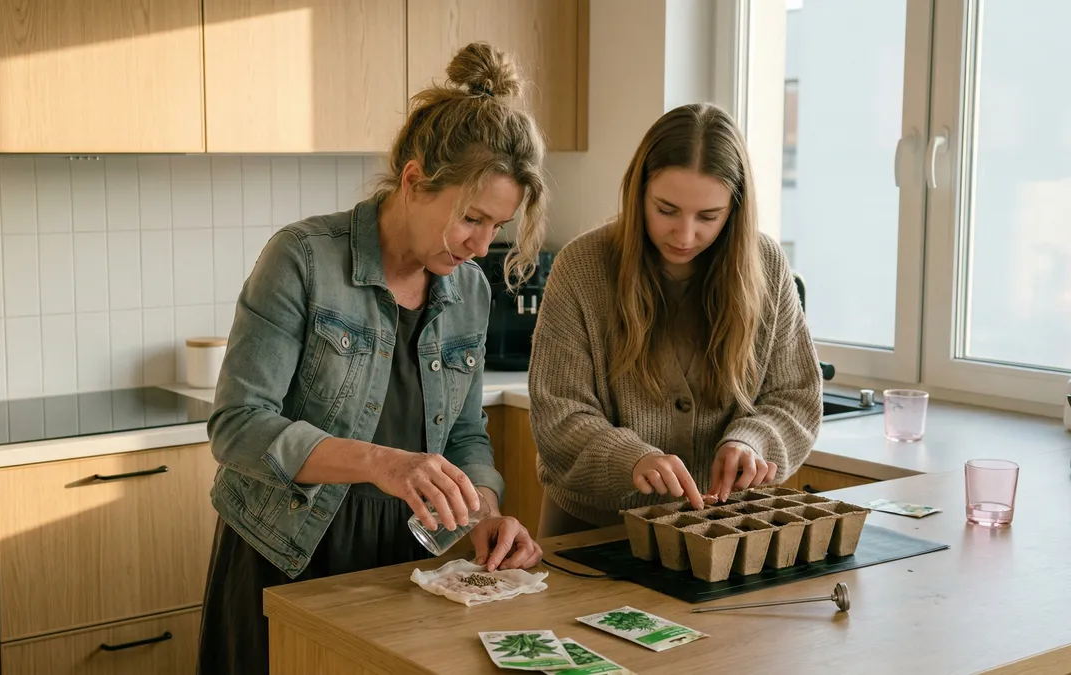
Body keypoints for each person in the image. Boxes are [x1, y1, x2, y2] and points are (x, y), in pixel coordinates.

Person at [198, 42, 549, 673]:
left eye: (498, 225)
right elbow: (237, 426)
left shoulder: (469, 287)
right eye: (471, 218)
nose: (482, 244)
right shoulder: (303, 259)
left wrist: (484, 513)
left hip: (408, 563)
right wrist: (380, 463)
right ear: (414, 180)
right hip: (289, 551)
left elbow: (466, 434)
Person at [528, 102, 823, 537]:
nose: (685, 236)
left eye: (709, 217)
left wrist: (750, 441)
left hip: (721, 532)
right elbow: (559, 414)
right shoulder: (581, 268)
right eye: (666, 210)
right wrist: (632, 460)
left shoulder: (768, 267)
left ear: (735, 209)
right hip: (592, 531)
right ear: (639, 191)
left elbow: (796, 396)